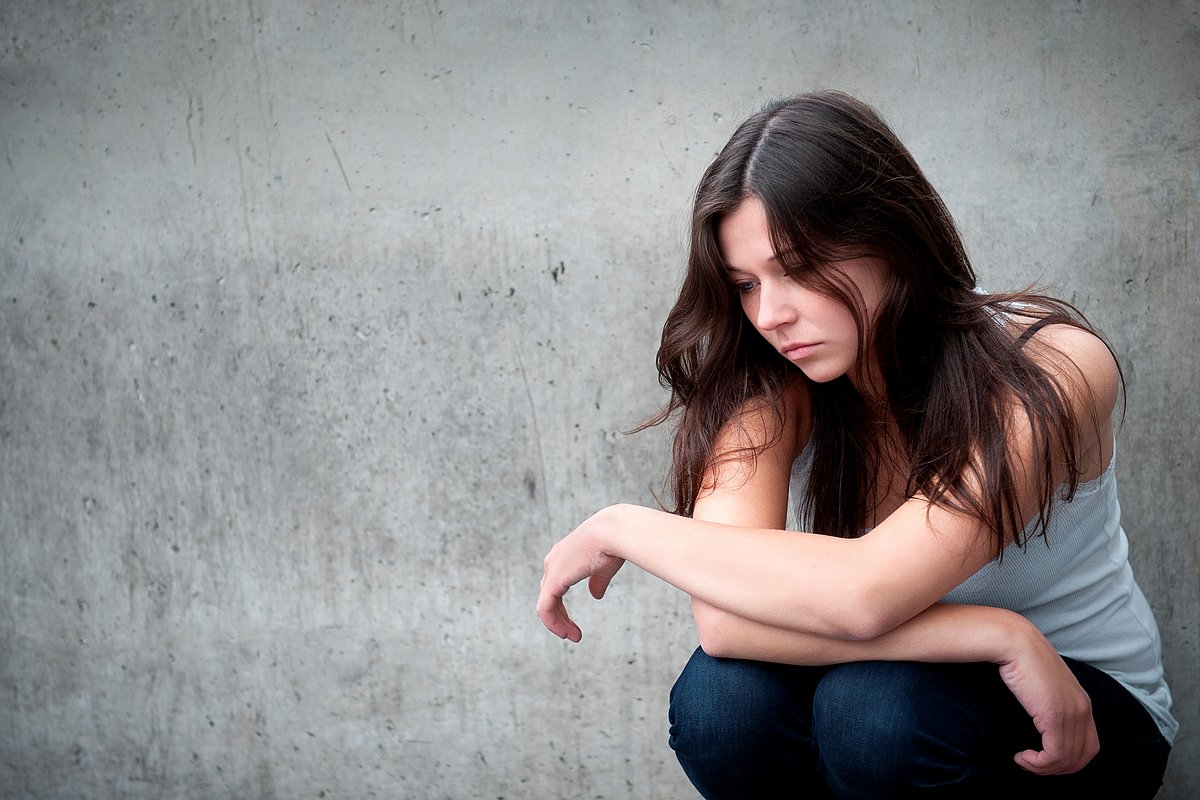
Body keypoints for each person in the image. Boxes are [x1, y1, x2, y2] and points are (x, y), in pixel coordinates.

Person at [536, 90, 1176, 799]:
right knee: (722, 704)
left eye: (801, 268)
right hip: (893, 695)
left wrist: (623, 526)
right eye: (747, 284)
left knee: (874, 711)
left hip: (1077, 716)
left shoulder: (1050, 365)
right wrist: (995, 634)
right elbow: (723, 623)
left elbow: (867, 595)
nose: (771, 314)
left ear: (891, 237)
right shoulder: (768, 383)